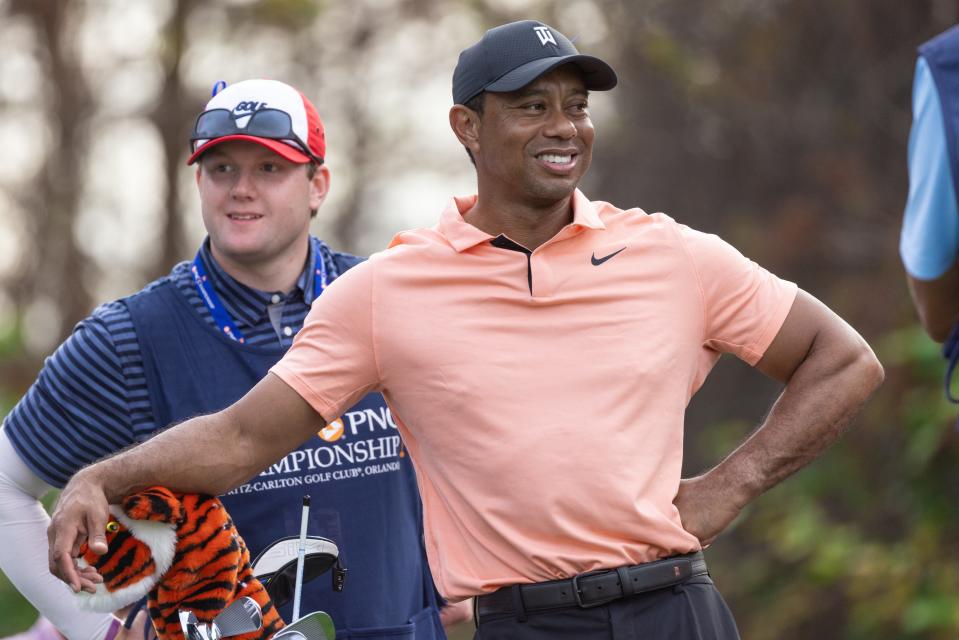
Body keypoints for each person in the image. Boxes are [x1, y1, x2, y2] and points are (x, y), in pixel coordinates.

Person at [48, 21, 884, 640]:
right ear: (467, 128)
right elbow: (240, 437)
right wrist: (102, 478)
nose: (563, 127)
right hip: (512, 624)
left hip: (675, 608)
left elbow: (840, 360)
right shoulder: (387, 290)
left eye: (575, 106)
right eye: (531, 107)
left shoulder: (671, 255)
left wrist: (727, 486)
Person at [1, 79, 449, 639]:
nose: (241, 189)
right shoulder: (127, 338)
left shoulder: (390, 300)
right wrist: (103, 632)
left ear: (318, 185)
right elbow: (4, 485)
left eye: (269, 169)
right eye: (222, 169)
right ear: (199, 183)